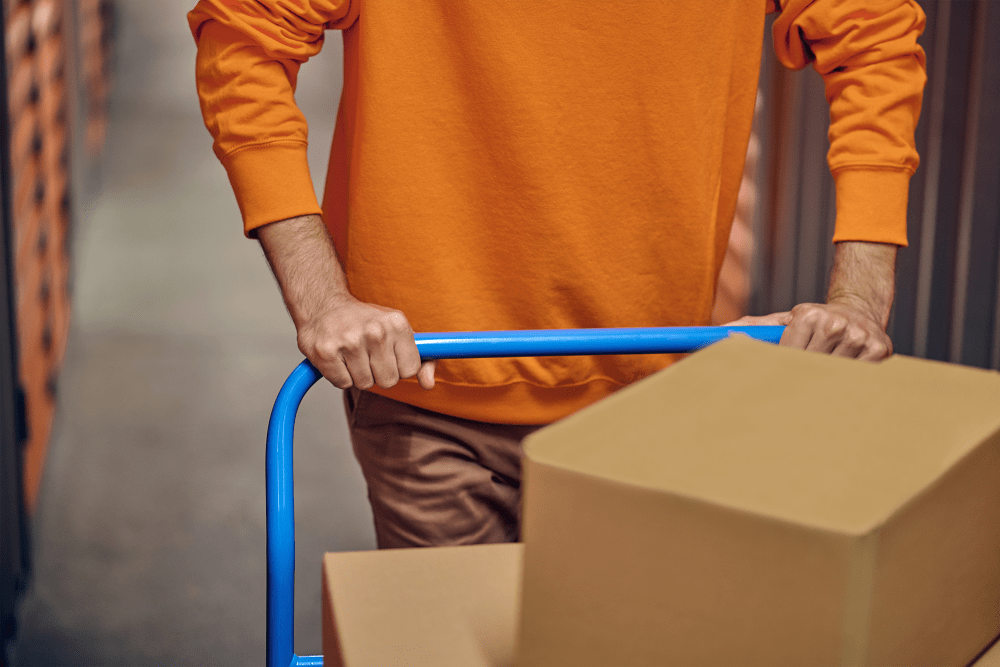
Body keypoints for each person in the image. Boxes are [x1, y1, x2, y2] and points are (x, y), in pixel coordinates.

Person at [188, 0, 926, 548]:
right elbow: (244, 40)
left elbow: (874, 36)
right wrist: (322, 297)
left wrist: (861, 292)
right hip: (431, 391)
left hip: (650, 393)